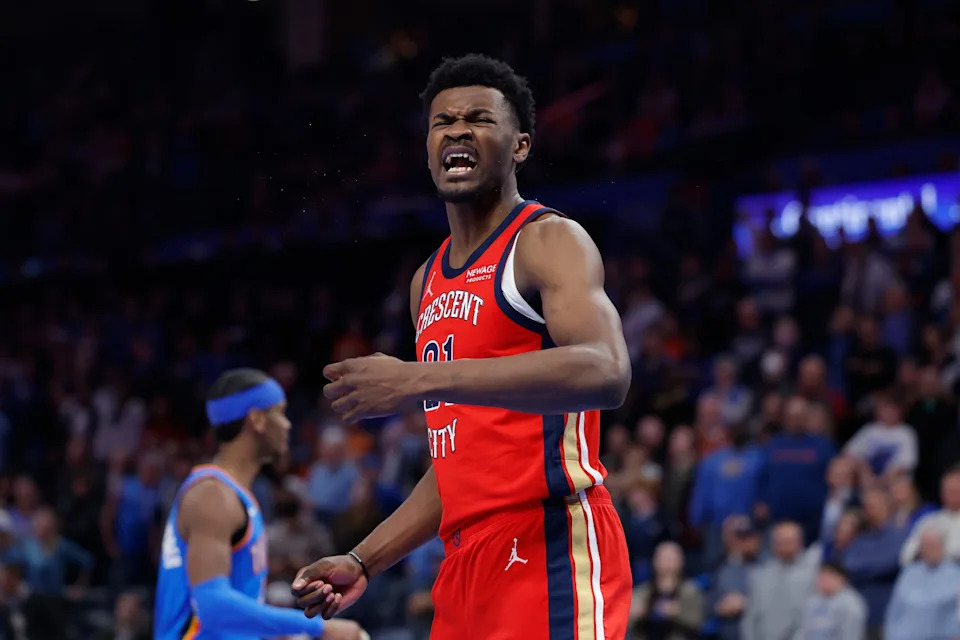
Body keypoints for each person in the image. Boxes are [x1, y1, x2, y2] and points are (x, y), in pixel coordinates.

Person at [292, 54, 633, 639]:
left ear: (520, 146)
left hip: (547, 540)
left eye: (479, 118)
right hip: (463, 563)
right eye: (442, 121)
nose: (457, 130)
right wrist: (364, 558)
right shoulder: (426, 281)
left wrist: (420, 378)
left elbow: (608, 371)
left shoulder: (547, 239)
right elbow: (459, 464)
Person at [153, 368, 363, 639]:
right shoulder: (212, 496)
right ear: (257, 420)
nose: (287, 425)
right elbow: (212, 607)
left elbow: (235, 613)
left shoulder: (235, 494)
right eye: (280, 413)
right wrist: (319, 628)